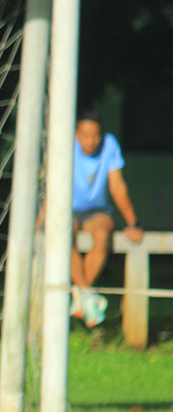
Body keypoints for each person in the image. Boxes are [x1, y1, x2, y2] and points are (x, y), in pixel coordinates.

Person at [67, 110, 142, 328]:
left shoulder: (109, 145)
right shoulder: (64, 144)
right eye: (85, 136)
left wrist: (133, 223)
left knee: (102, 234)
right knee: (63, 234)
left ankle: (80, 298)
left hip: (97, 211)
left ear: (101, 135)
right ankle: (87, 296)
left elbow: (117, 187)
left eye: (95, 136)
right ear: (76, 134)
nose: (90, 142)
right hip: (67, 209)